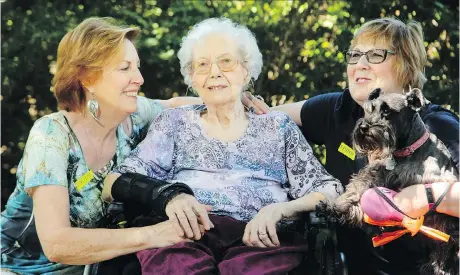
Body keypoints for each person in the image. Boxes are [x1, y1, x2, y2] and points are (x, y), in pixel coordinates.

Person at [103, 17, 343, 275]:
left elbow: (329, 189)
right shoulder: (174, 123)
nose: (214, 72)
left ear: (246, 70)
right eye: (202, 65)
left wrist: (281, 209)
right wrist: (168, 196)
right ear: (192, 77)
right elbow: (113, 183)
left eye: (226, 61)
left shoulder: (278, 128)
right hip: (185, 235)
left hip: (260, 239)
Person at [0, 17, 223, 275]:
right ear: (87, 79)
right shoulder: (51, 136)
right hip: (15, 267)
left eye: (137, 67)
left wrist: (234, 101)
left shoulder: (133, 117)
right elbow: (56, 243)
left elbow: (174, 106)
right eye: (124, 68)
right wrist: (156, 235)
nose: (139, 78)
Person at [268, 17, 459, 274]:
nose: (360, 64)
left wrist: (422, 198)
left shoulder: (436, 126)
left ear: (406, 65)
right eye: (355, 55)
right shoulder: (338, 110)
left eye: (376, 55)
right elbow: (260, 115)